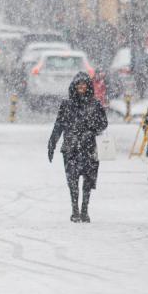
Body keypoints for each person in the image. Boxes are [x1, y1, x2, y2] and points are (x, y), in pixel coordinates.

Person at [48, 72, 108, 223]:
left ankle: (85, 209)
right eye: (79, 84)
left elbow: (103, 123)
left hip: (89, 147)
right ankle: (75, 209)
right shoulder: (67, 105)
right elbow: (59, 125)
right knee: (72, 180)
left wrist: (92, 130)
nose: (81, 86)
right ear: (74, 86)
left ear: (88, 86)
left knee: (88, 180)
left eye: (84, 83)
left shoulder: (95, 104)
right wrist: (52, 143)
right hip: (70, 147)